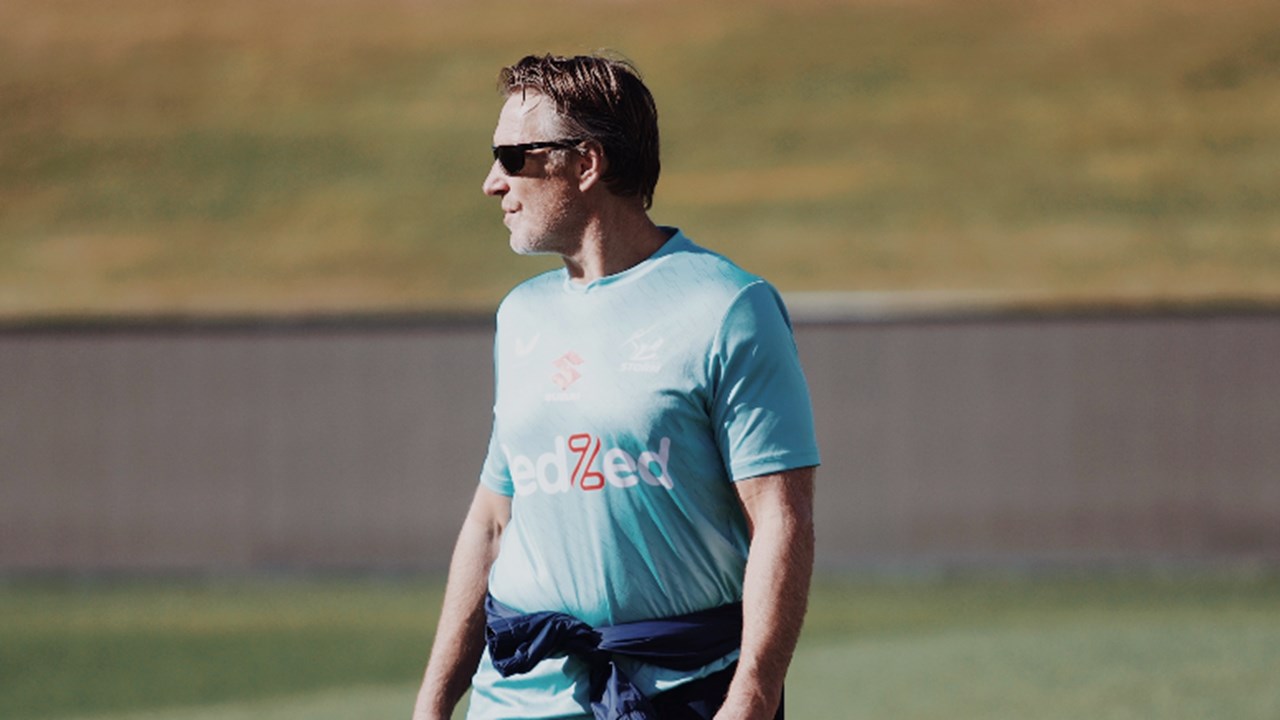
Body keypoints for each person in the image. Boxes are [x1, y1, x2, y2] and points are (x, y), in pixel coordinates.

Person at [412, 52, 820, 720]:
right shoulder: (520, 315)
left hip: (684, 691)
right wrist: (431, 704)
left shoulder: (729, 306)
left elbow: (781, 515)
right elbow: (492, 520)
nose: (492, 183)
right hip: (516, 692)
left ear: (586, 163)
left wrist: (753, 692)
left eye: (512, 157)